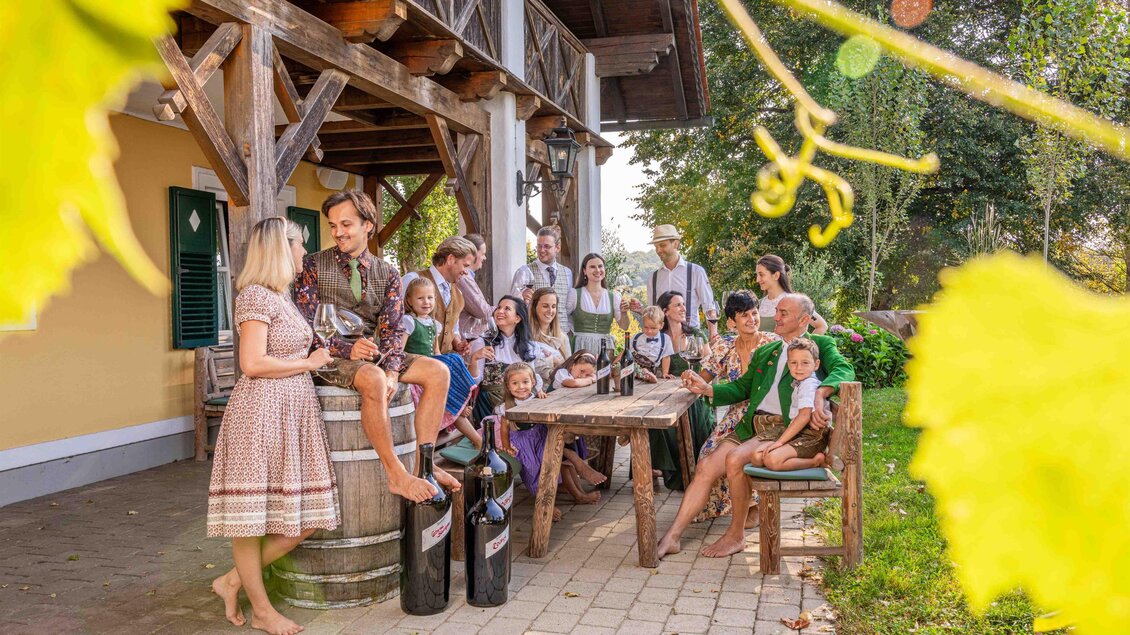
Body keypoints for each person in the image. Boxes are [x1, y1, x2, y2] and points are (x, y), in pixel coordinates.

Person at [207, 217, 339, 635]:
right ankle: (262, 610)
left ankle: (231, 581)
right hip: (260, 414)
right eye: (300, 245)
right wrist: (309, 362)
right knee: (254, 517)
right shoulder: (255, 297)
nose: (304, 252)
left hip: (291, 411)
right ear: (281, 248)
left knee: (307, 517)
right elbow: (252, 363)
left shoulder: (282, 297)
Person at [657, 294, 854, 560]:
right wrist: (708, 389)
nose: (776, 316)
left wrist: (821, 393)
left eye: (783, 313)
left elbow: (845, 370)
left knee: (735, 460)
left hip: (785, 429)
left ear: (804, 320)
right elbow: (742, 388)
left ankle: (735, 535)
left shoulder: (818, 344)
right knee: (706, 466)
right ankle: (673, 536)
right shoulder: (768, 351)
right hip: (753, 425)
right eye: (777, 311)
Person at [295, 189, 458, 502]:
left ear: (367, 225)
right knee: (373, 377)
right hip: (327, 356)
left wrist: (395, 369)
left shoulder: (388, 272)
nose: (338, 232)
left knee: (438, 370)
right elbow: (306, 325)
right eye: (333, 225)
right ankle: (396, 473)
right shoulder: (312, 265)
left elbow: (394, 328)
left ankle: (424, 466)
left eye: (346, 224)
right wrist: (346, 349)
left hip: (375, 354)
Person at [694, 291, 780, 523]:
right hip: (735, 416)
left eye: (754, 313)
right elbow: (704, 377)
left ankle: (754, 508)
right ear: (732, 321)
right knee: (708, 451)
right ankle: (722, 505)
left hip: (766, 415)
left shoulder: (772, 342)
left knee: (744, 455)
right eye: (744, 315)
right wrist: (692, 381)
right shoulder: (725, 344)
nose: (752, 319)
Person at [494, 363, 604, 513]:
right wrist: (506, 446)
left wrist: (540, 394)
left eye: (525, 382)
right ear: (508, 386)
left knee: (557, 455)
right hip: (523, 442)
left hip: (540, 436)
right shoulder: (504, 407)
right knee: (534, 470)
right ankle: (545, 506)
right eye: (515, 383)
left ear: (532, 382)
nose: (521, 387)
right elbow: (504, 428)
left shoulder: (536, 397)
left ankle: (578, 480)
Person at [400, 277, 479, 448]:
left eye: (430, 298)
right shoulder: (408, 321)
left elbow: (436, 352)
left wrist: (437, 362)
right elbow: (400, 352)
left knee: (450, 359)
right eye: (420, 298)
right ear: (409, 301)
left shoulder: (434, 324)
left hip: (432, 367)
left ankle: (459, 401)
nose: (426, 302)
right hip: (416, 367)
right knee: (454, 358)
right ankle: (463, 401)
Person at [648, 291, 714, 491]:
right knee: (655, 418)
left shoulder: (695, 334)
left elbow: (711, 364)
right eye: (678, 305)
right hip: (665, 391)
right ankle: (666, 469)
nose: (684, 309)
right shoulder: (656, 336)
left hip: (693, 391)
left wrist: (698, 380)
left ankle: (695, 470)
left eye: (684, 304)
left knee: (698, 413)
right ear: (665, 311)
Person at [467, 296, 558, 422]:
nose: (500, 311)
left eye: (507, 308)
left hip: (521, 401)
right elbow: (474, 382)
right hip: (491, 405)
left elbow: (531, 378)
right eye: (499, 307)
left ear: (517, 318)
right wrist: (474, 358)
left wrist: (538, 390)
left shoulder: (528, 346)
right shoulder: (482, 343)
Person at [630, 224, 718, 339]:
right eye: (656, 246)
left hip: (691, 338)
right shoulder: (653, 277)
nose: (658, 250)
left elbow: (709, 308)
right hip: (662, 341)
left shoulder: (696, 272)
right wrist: (640, 309)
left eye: (662, 245)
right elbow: (654, 313)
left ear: (675, 244)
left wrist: (713, 337)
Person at [401, 236, 477, 354]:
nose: (466, 271)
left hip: (444, 361)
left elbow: (453, 329)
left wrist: (458, 344)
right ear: (451, 259)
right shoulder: (413, 279)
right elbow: (394, 321)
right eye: (465, 265)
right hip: (415, 364)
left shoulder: (458, 292)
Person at [510, 227, 575, 334]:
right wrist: (523, 297)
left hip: (561, 335)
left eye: (547, 246)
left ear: (557, 248)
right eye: (539, 246)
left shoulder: (567, 273)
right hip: (535, 334)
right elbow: (514, 305)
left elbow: (567, 307)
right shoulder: (524, 271)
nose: (541, 250)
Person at [569, 253, 630, 356]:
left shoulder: (613, 296)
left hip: (606, 348)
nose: (598, 270)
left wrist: (624, 313)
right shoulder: (575, 294)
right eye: (592, 267)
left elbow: (624, 326)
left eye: (600, 266)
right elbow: (563, 319)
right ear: (584, 271)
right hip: (581, 346)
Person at [755, 254, 829, 334]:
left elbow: (821, 326)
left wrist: (806, 344)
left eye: (761, 275)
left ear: (776, 275)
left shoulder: (796, 303)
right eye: (757, 275)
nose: (757, 279)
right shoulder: (758, 304)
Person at [527, 287, 569, 385]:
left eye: (553, 306)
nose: (550, 311)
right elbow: (528, 368)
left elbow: (569, 368)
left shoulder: (562, 337)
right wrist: (552, 360)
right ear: (534, 307)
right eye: (545, 306)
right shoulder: (526, 336)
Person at [456, 233, 493, 342]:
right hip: (466, 339)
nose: (485, 258)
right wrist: (509, 306)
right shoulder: (464, 278)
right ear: (473, 253)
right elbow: (482, 311)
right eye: (483, 254)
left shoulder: (467, 277)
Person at [630, 306, 672, 381]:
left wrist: (665, 373)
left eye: (653, 328)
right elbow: (625, 352)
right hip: (635, 364)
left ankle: (647, 375)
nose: (649, 331)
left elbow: (666, 357)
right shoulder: (636, 337)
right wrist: (614, 363)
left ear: (661, 325)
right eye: (646, 327)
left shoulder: (665, 339)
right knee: (627, 366)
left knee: (646, 371)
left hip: (651, 367)